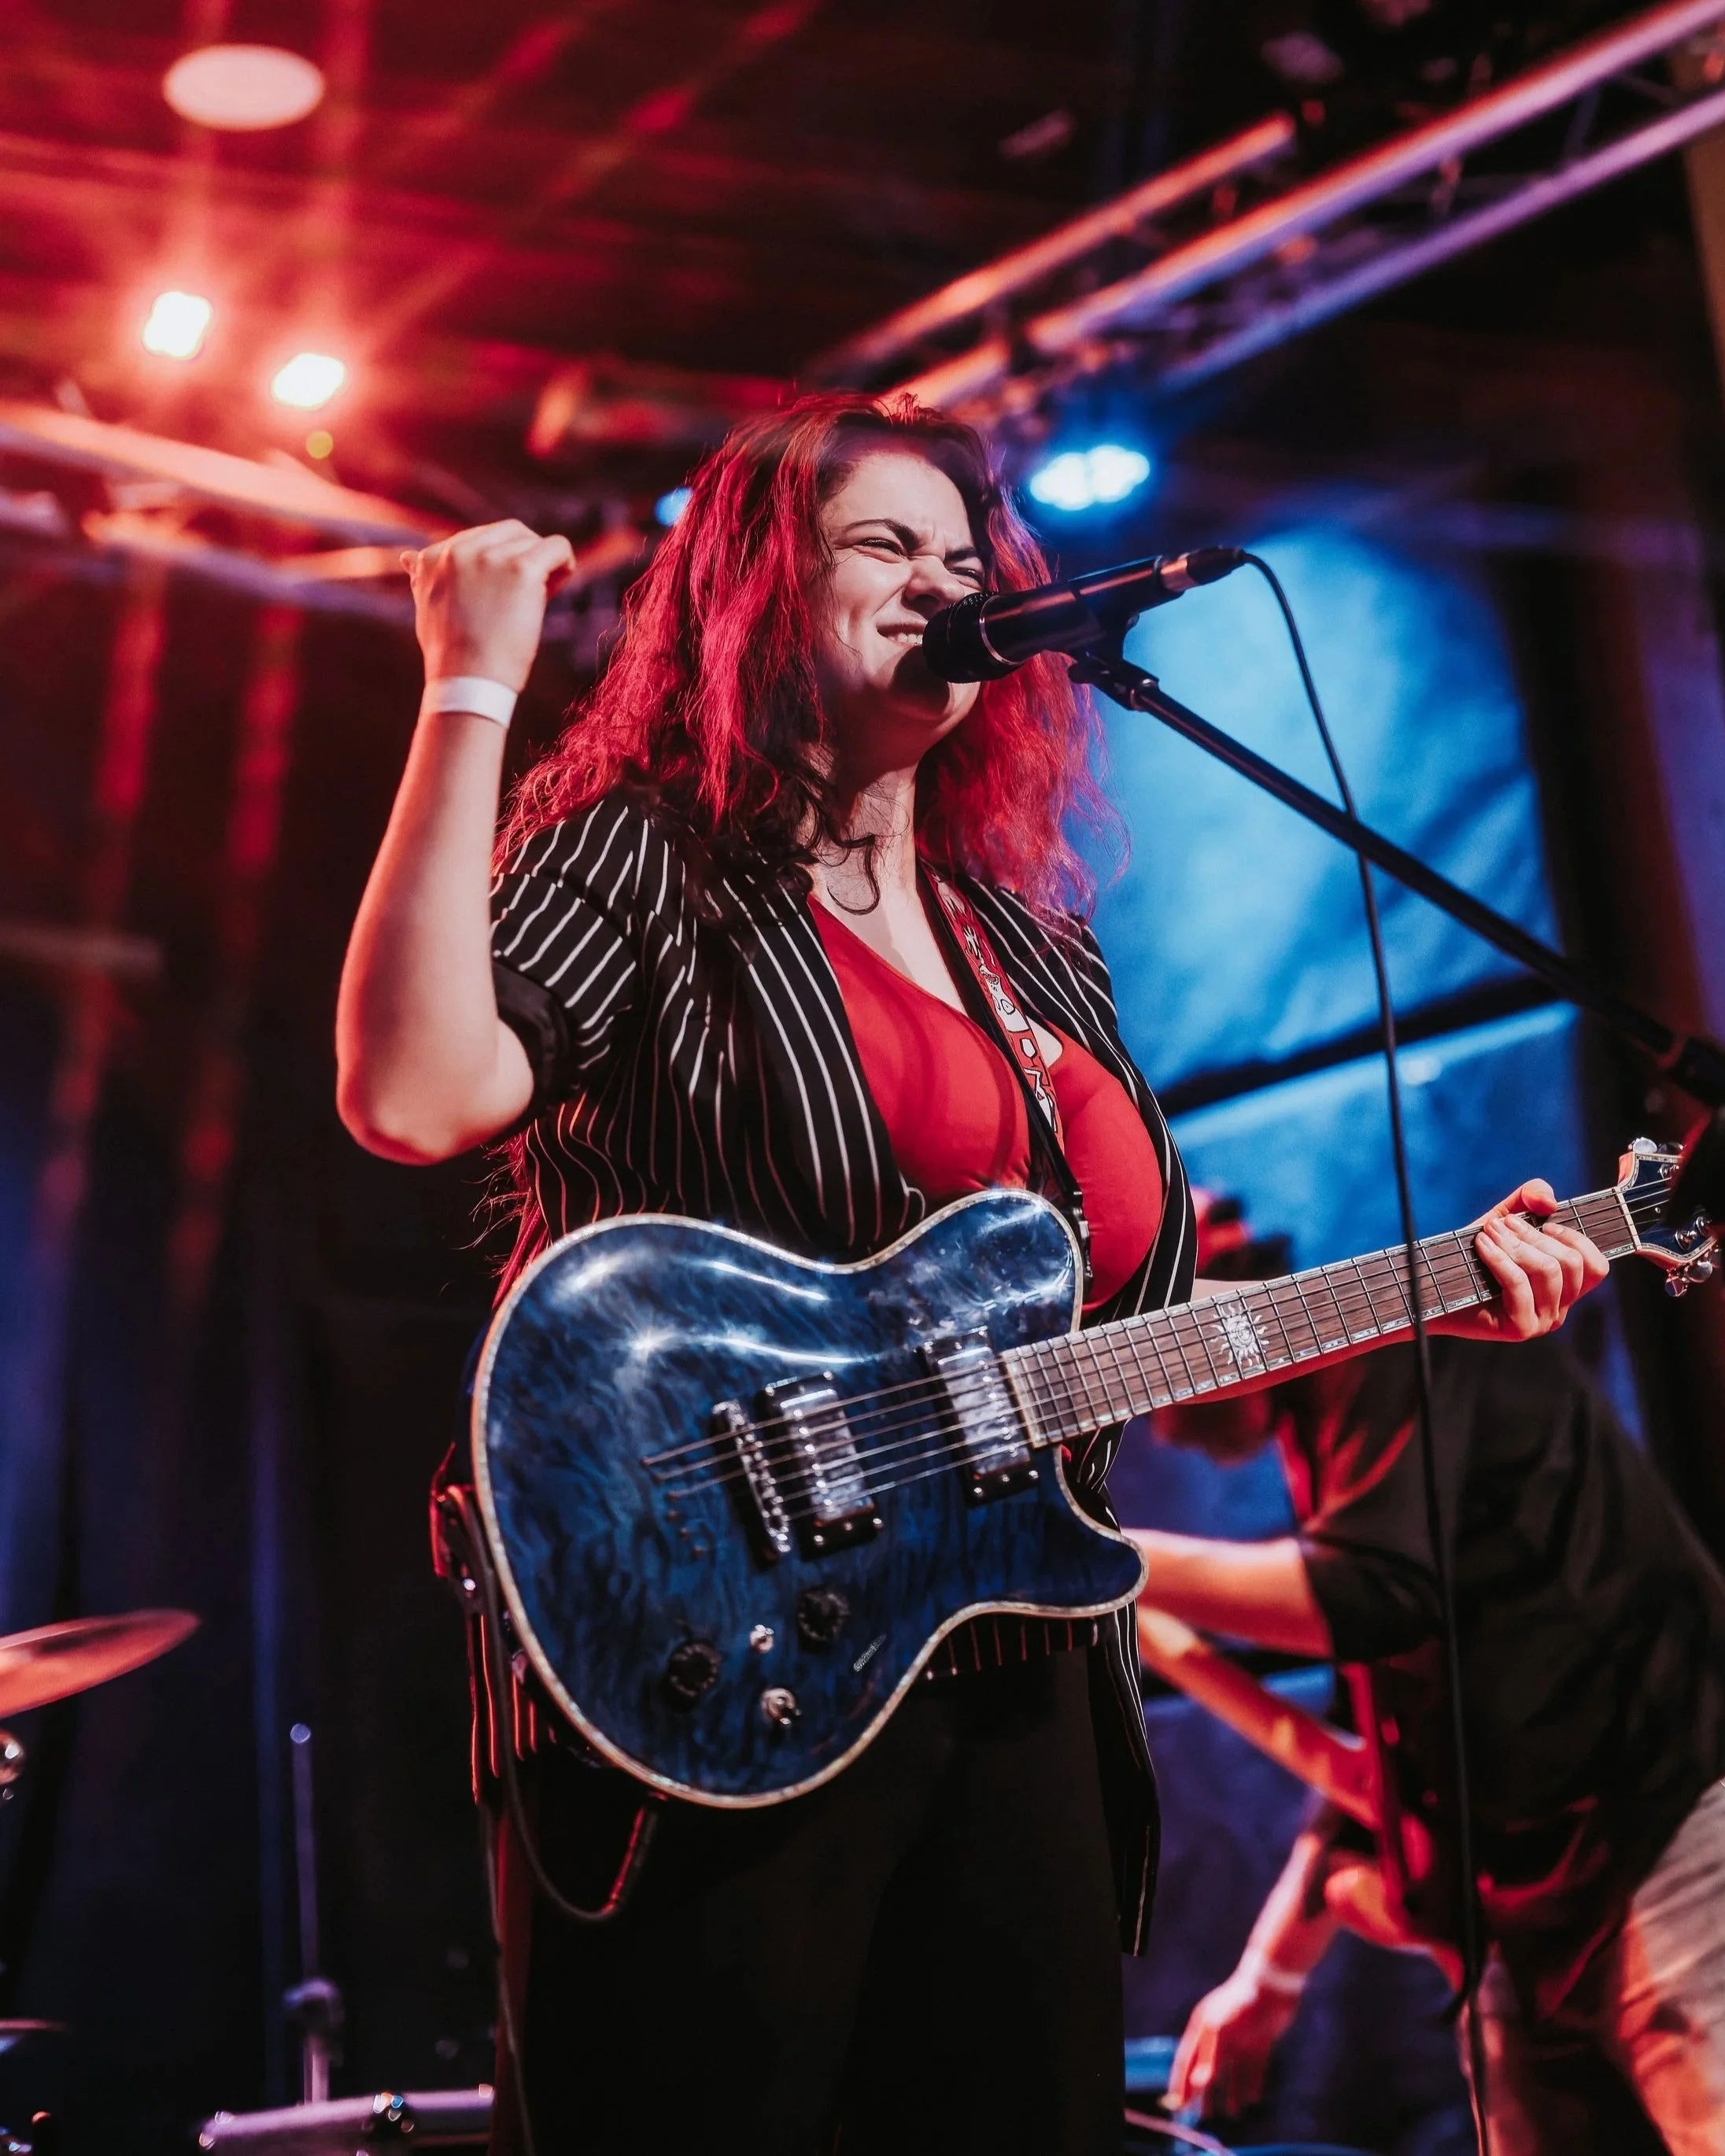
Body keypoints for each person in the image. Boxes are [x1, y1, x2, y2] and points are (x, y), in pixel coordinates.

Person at [334, 390, 1606, 2156]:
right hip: (713, 1653)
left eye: (963, 555)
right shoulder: (648, 859)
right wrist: (469, 686)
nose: (941, 583)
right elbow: (408, 1092)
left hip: (1017, 1681)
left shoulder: (1035, 948)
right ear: (758, 596)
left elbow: (1122, 1341)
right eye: (882, 547)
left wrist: (1438, 1282)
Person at [1139, 1205, 1725, 2156]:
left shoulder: (1385, 1329)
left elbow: (1373, 1593)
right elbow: (1379, 1756)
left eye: (1157, 1383)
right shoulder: (1324, 1424)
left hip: (1663, 1826)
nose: (1169, 1433)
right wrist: (1269, 1974)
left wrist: (1117, 1558)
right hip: (1529, 1909)